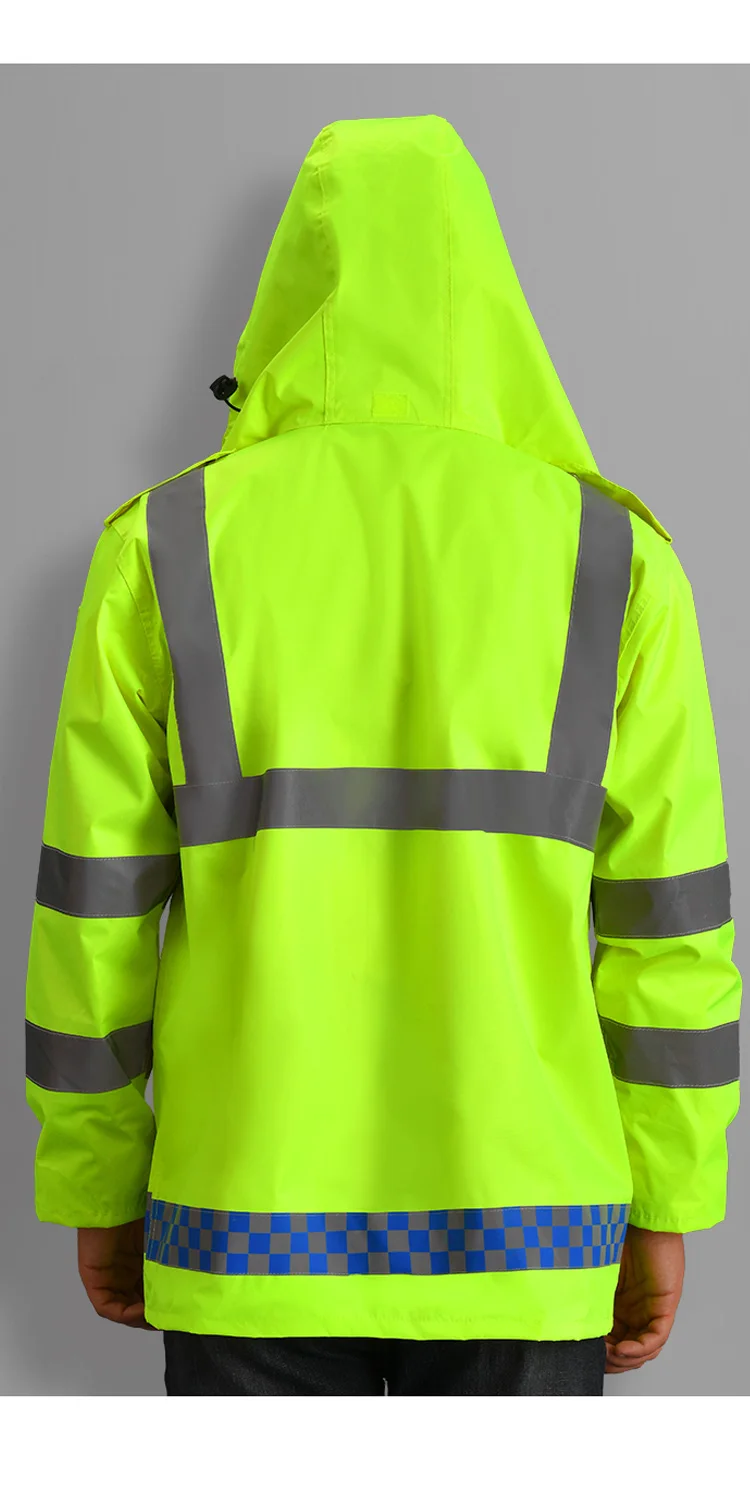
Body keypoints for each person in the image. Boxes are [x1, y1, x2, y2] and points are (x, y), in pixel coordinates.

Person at [25, 114, 741, 1397]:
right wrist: (671, 1197)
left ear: (295, 288)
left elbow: (93, 922)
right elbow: (671, 935)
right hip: (533, 1237)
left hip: (243, 1230)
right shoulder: (613, 560)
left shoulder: (168, 546)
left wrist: (94, 1180)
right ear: (489, 292)